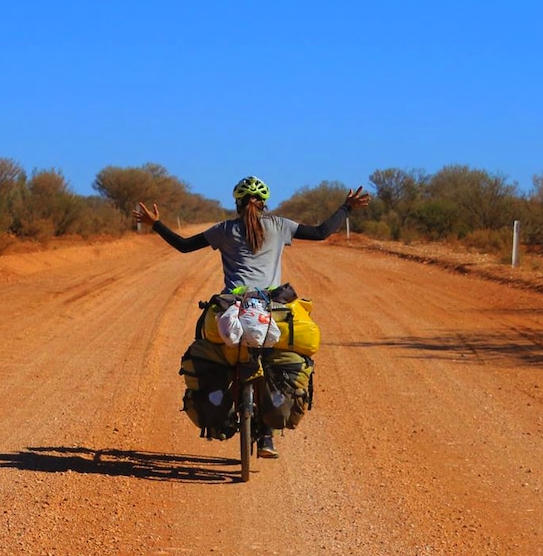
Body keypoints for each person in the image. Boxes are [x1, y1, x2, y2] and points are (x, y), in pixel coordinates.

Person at [133, 176, 371, 458]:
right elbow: (320, 233)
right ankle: (267, 435)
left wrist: (155, 224)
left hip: (232, 306)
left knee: (223, 355)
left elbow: (184, 246)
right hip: (272, 306)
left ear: (237, 203)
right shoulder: (280, 225)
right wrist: (346, 208)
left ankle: (227, 410)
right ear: (264, 204)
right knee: (270, 358)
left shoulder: (224, 229)